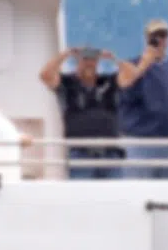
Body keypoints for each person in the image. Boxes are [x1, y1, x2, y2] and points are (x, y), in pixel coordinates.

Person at [116, 18, 168, 179]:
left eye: (163, 35)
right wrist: (144, 64)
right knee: (138, 193)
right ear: (146, 39)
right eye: (154, 36)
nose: (159, 40)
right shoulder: (130, 65)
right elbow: (123, 85)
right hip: (141, 144)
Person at [39, 45, 125, 179]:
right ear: (79, 61)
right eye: (85, 59)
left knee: (115, 198)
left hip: (110, 155)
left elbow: (132, 75)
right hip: (80, 155)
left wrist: (114, 59)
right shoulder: (66, 83)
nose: (89, 63)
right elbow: (45, 75)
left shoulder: (109, 82)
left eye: (93, 60)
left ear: (98, 62)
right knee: (82, 199)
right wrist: (65, 54)